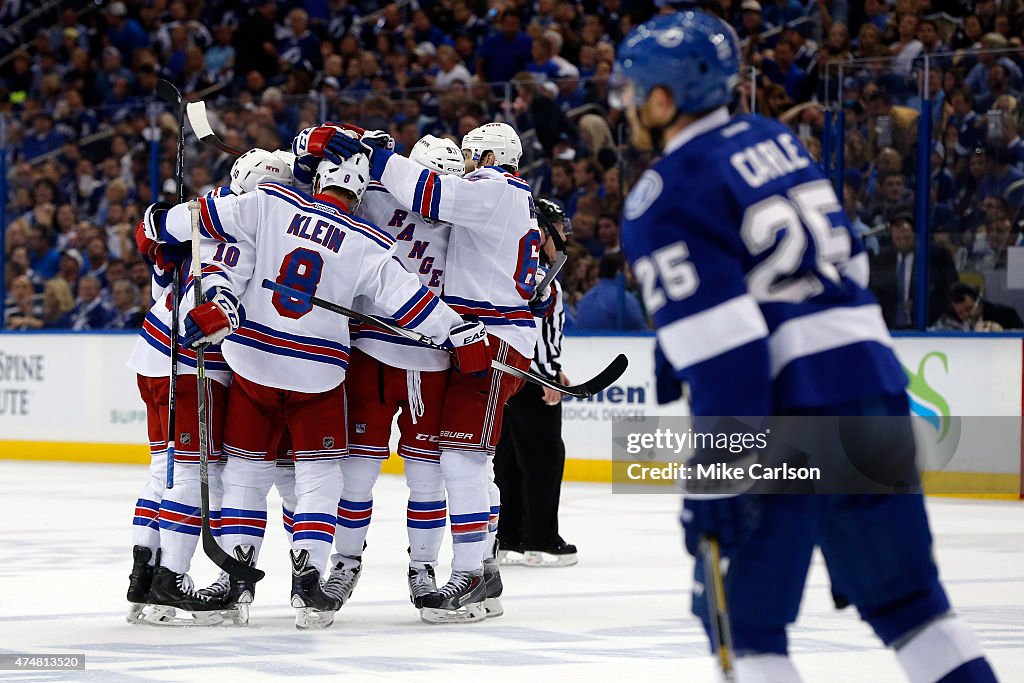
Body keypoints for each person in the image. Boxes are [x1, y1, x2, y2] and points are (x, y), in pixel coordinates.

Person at [616, 11, 997, 683]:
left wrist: (719, 470)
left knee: (746, 625)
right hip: (874, 388)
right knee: (914, 608)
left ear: (663, 96)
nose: (624, 100)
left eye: (632, 87)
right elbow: (845, 267)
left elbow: (732, 357)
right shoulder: (773, 138)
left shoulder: (664, 192)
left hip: (788, 416)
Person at [147, 136, 487, 630]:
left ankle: (236, 582)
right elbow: (411, 302)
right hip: (317, 375)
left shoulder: (268, 203)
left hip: (253, 366)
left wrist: (159, 224)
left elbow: (207, 233)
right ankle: (308, 585)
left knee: (245, 478)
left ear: (320, 176)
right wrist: (459, 331)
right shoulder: (369, 242)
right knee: (318, 483)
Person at [302, 120, 541, 624]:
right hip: (429, 345)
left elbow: (433, 195)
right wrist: (334, 150)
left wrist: (378, 156)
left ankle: (458, 569)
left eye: (468, 164)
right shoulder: (493, 200)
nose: (467, 173)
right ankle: (470, 566)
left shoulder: (487, 193)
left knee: (453, 464)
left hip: (462, 346)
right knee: (422, 464)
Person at [125, 149, 297, 627]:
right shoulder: (248, 229)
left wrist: (155, 226)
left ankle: (144, 578)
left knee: (163, 469)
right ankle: (170, 582)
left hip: (153, 355)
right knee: (199, 474)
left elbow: (153, 239)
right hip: (191, 362)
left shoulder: (204, 212)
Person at [328, 134, 467, 616]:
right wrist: (345, 150)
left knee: (427, 475)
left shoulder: (461, 217)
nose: (437, 195)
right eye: (431, 181)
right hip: (370, 351)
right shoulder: (374, 197)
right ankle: (344, 561)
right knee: (358, 470)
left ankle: (423, 567)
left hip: (429, 360)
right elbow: (325, 188)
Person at [494, 198, 577, 568]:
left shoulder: (512, 264)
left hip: (508, 377)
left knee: (510, 460)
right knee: (544, 458)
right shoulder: (544, 273)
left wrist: (552, 366)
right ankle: (541, 539)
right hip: (531, 379)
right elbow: (535, 329)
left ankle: (509, 537)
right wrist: (546, 373)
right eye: (559, 227)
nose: (564, 234)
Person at [574, 253, 647, 330]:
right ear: (618, 273)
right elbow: (643, 334)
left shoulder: (585, 299)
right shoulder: (624, 299)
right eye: (627, 271)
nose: (630, 276)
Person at [932, 282, 1023, 331]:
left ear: (978, 302)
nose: (966, 315)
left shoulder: (1004, 315)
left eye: (968, 309)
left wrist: (1002, 333)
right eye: (960, 312)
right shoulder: (948, 319)